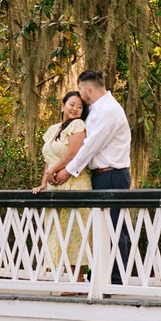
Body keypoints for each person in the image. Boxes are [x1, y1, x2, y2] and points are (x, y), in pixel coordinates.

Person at [48, 69, 133, 282]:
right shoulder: (95, 110)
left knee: (114, 227)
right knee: (100, 228)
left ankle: (115, 280)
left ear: (87, 89)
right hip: (99, 175)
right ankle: (99, 275)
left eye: (80, 90)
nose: (79, 96)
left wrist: (68, 170)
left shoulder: (109, 110)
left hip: (113, 174)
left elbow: (90, 146)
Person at [38, 90, 91, 279]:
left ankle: (77, 279)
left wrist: (53, 171)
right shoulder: (53, 129)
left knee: (75, 230)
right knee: (57, 229)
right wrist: (44, 181)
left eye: (80, 106)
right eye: (72, 105)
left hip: (74, 182)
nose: (75, 109)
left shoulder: (78, 125)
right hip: (55, 185)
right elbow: (48, 158)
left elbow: (73, 152)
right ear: (62, 106)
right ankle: (67, 276)